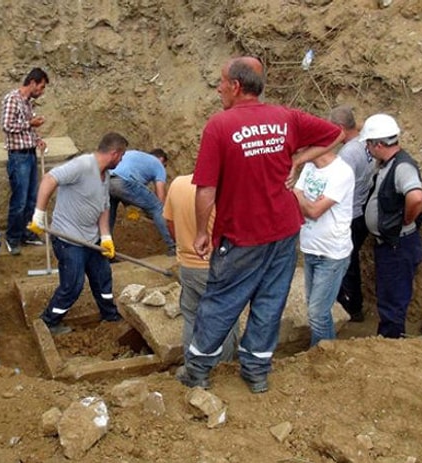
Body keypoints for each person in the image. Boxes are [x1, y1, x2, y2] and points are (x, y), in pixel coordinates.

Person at [176, 56, 344, 393]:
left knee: (222, 300)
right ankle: (255, 371)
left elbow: (206, 188)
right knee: (270, 299)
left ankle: (197, 371)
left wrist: (199, 232)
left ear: (236, 87)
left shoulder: (219, 126)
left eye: (222, 82)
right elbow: (337, 133)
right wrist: (298, 157)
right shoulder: (286, 117)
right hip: (283, 230)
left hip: (243, 234)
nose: (219, 88)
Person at [27, 132, 129, 335]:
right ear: (115, 153)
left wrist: (106, 236)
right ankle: (49, 321)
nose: (122, 160)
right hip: (68, 239)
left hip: (92, 239)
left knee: (103, 277)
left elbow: (104, 207)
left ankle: (110, 315)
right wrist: (39, 213)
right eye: (122, 156)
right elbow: (49, 178)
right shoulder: (82, 165)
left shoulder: (105, 176)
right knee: (73, 285)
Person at [361, 114, 422, 338]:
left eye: (369, 144)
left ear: (378, 144)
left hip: (399, 245)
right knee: (389, 293)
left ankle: (391, 342)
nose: (367, 149)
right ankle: (390, 339)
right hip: (391, 244)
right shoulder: (388, 165)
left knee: (393, 297)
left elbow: (416, 197)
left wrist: (406, 220)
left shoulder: (402, 167)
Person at [163, 174, 238, 361]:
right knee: (225, 319)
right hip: (217, 266)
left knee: (192, 318)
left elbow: (169, 223)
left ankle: (194, 367)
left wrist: (184, 246)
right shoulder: (224, 189)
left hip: (188, 265)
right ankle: (221, 369)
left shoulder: (178, 184)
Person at [294, 149, 355, 346]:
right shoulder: (311, 166)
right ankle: (325, 352)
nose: (296, 152)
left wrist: (300, 196)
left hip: (331, 253)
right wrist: (304, 199)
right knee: (316, 310)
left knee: (317, 313)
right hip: (311, 248)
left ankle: (324, 356)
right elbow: (297, 195)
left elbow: (313, 211)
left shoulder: (341, 172)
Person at [330, 105, 376, 322]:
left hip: (349, 214)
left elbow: (337, 188)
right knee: (351, 259)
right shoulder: (365, 143)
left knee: (345, 263)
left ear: (340, 128)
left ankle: (350, 308)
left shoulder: (348, 154)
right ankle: (352, 306)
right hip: (361, 210)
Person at [0, 67, 49, 256]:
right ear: (33, 83)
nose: (41, 92)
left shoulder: (28, 103)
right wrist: (30, 123)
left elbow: (28, 130)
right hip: (18, 156)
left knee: (31, 199)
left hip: (29, 154)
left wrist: (38, 140)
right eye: (41, 87)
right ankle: (12, 238)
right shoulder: (12, 99)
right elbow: (6, 125)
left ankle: (27, 234)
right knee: (19, 201)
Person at [109, 149, 176, 256]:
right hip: (124, 180)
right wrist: (165, 214)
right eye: (165, 165)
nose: (164, 168)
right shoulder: (158, 164)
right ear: (162, 159)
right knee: (157, 208)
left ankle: (106, 254)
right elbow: (160, 195)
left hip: (106, 180)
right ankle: (174, 246)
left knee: (108, 219)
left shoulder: (136, 156)